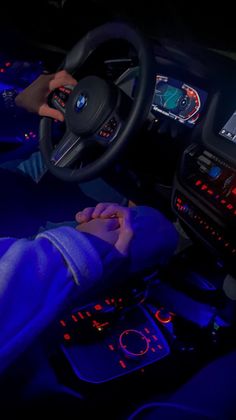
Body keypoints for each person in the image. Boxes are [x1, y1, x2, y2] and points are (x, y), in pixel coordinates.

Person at [0, 70, 179, 375]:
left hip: (15, 187)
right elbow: (155, 230)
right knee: (151, 226)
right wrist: (86, 243)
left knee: (56, 157)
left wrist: (16, 102)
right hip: (29, 236)